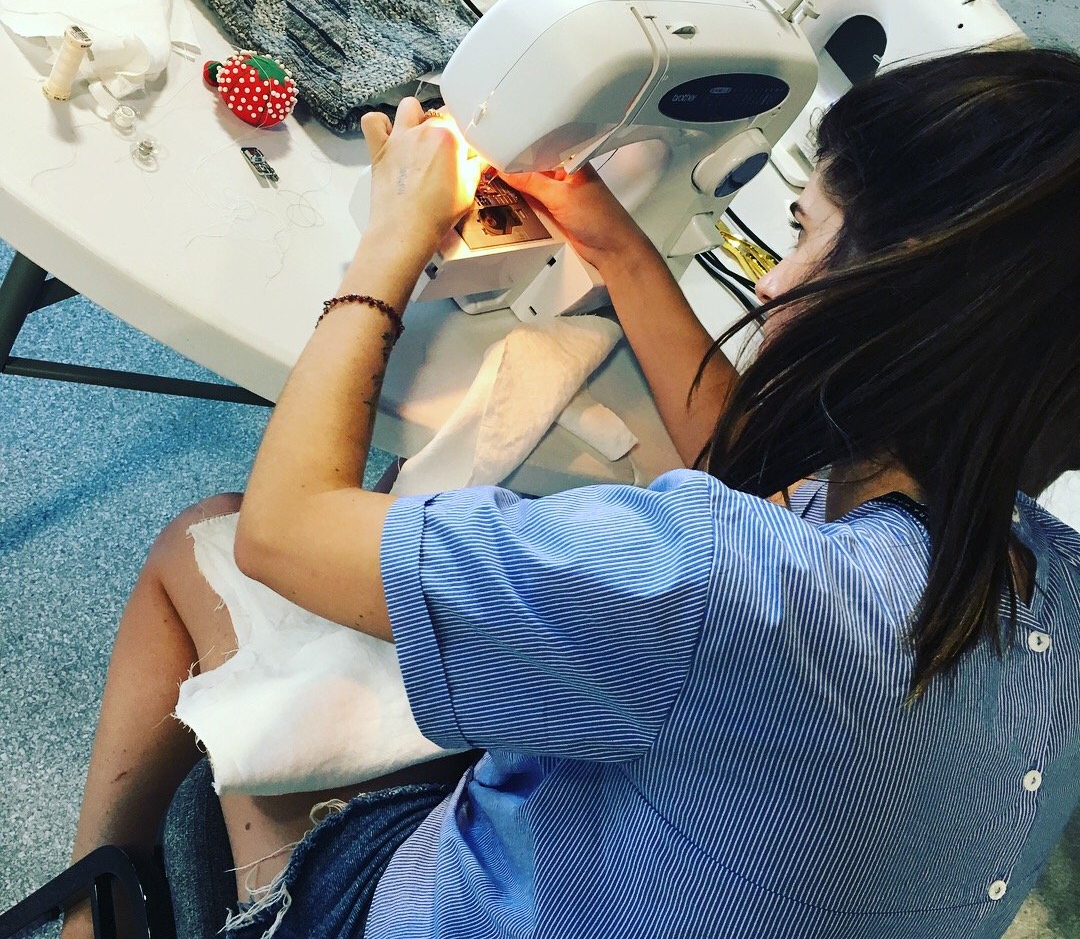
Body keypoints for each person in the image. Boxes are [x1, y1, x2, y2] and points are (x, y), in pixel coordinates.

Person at [58, 45, 1078, 939]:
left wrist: (389, 244)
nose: (770, 283)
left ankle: (84, 908)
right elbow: (762, 471)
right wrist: (615, 243)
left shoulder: (711, 581)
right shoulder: (1049, 586)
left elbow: (289, 529)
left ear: (892, 294)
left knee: (207, 540)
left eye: (807, 233)